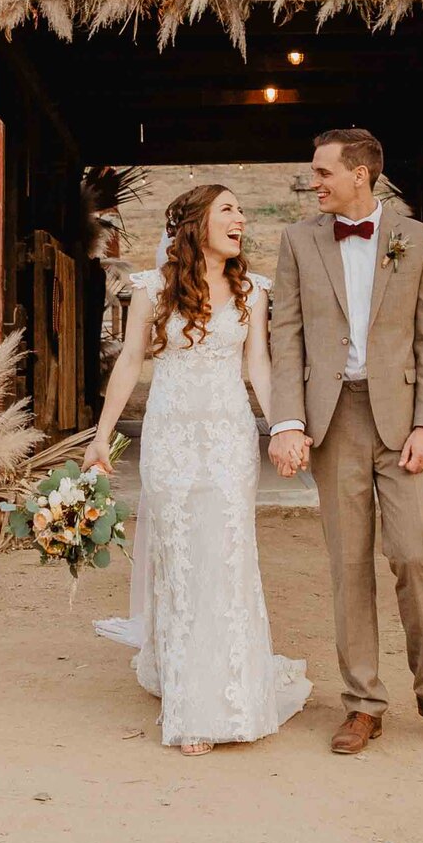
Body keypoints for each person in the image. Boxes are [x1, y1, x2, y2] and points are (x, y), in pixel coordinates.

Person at [266, 128, 423, 756]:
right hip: (334, 420)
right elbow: (287, 336)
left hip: (402, 417)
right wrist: (288, 421)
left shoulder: (420, 241)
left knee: (413, 552)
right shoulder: (298, 240)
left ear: (362, 174)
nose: (314, 182)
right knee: (348, 562)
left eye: (324, 171)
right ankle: (361, 703)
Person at [85, 184, 310, 755]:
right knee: (182, 560)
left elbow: (258, 363)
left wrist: (283, 424)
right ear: (195, 224)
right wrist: (101, 437)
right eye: (229, 209)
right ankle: (191, 699)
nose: (241, 219)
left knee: (228, 557)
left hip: (229, 437)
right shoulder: (151, 288)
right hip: (171, 439)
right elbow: (131, 361)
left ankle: (229, 691)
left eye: (241, 208)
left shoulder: (252, 291)